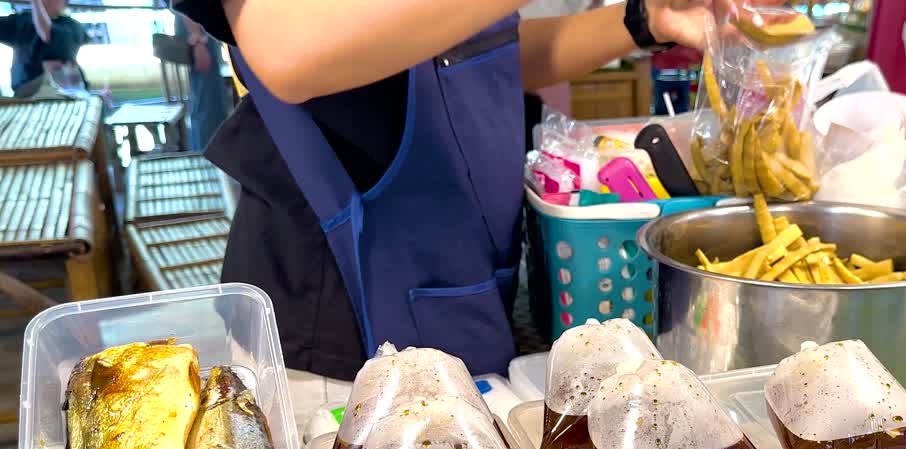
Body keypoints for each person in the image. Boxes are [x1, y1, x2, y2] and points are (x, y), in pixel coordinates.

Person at [170, 0, 730, 424]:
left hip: (462, 298)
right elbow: (290, 49)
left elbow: (481, 54)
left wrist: (642, 20)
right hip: (331, 346)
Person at [0, 0, 87, 96]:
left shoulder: (73, 27)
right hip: (25, 91)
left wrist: (35, 2)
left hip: (66, 93)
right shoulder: (21, 20)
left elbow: (46, 34)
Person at [173, 14, 231, 150]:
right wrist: (197, 39)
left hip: (199, 31)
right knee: (208, 104)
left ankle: (207, 156)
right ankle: (208, 158)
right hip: (198, 33)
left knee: (206, 101)